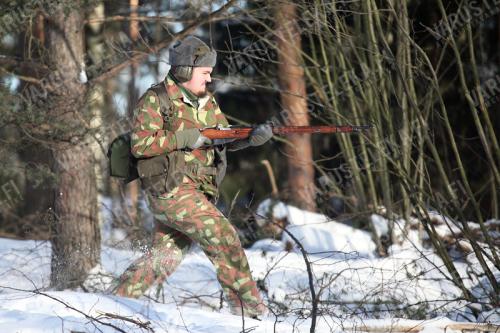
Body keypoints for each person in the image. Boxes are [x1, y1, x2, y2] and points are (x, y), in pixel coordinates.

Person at [112, 35, 272, 318]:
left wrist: (250, 139)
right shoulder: (156, 99)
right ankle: (251, 313)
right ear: (186, 70)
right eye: (205, 73)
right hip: (171, 188)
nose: (209, 80)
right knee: (224, 237)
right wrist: (187, 137)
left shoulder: (207, 103)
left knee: (164, 259)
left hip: (196, 191)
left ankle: (111, 303)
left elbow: (221, 138)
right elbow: (141, 144)